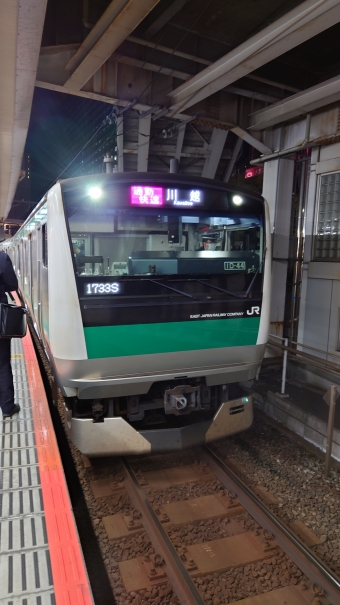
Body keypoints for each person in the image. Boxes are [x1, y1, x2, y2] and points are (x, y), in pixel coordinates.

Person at [0, 250, 20, 419]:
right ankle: (7, 406)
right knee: (2, 363)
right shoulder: (1, 257)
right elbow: (12, 285)